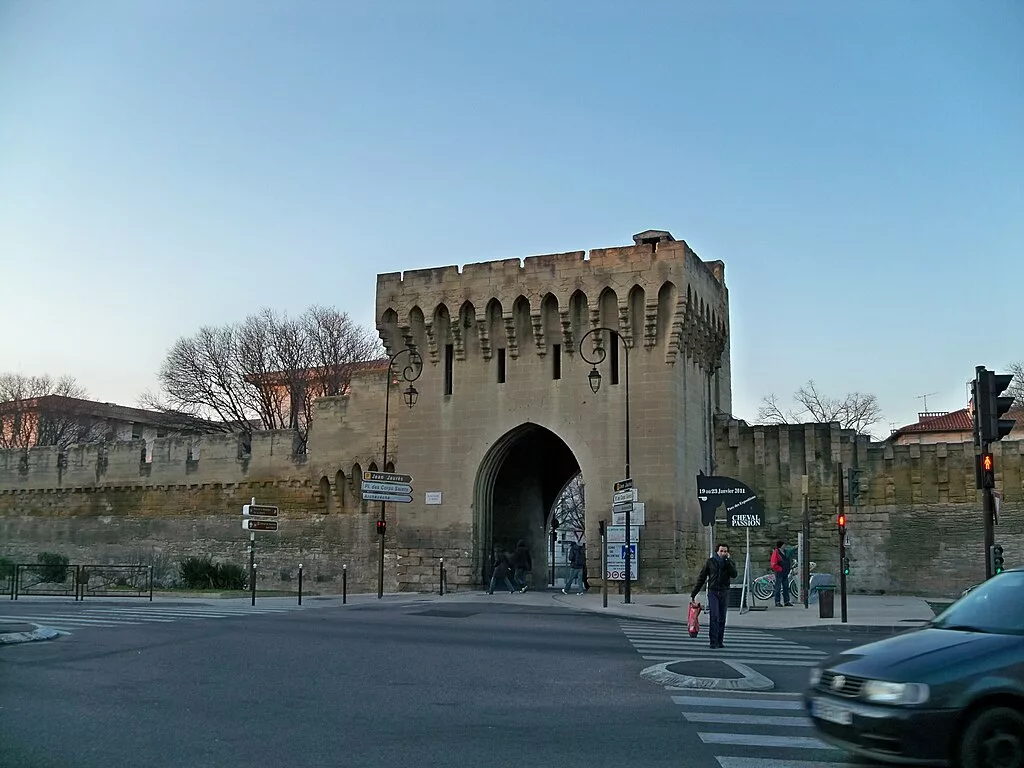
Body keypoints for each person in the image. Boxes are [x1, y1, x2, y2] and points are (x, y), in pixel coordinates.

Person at [690, 543, 738, 649]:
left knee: (722, 617)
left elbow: (734, 574)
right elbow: (702, 578)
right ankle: (713, 641)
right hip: (713, 592)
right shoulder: (710, 562)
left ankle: (720, 641)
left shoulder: (729, 562)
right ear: (717, 552)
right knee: (714, 616)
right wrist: (694, 592)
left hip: (724, 591)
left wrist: (728, 562)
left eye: (725, 551)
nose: (723, 553)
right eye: (721, 551)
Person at [770, 539, 793, 607]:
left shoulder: (785, 552)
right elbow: (774, 563)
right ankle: (777, 602)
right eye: (784, 544)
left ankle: (786, 601)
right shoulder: (776, 553)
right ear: (781, 545)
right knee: (778, 587)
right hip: (779, 572)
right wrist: (779, 569)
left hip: (785, 572)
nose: (785, 545)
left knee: (786, 587)